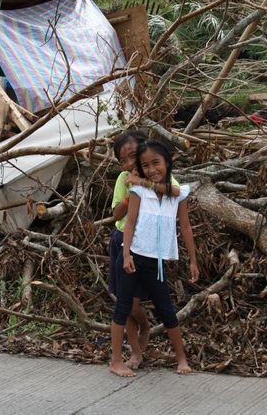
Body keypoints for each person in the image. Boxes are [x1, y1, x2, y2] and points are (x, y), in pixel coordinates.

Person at [109, 140, 199, 377]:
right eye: (145, 166)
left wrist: (193, 260)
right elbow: (128, 224)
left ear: (168, 162)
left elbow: (186, 227)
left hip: (156, 262)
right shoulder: (138, 191)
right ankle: (116, 360)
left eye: (156, 163)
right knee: (123, 307)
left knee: (166, 310)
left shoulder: (176, 194)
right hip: (133, 257)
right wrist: (126, 254)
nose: (151, 169)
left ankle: (181, 359)